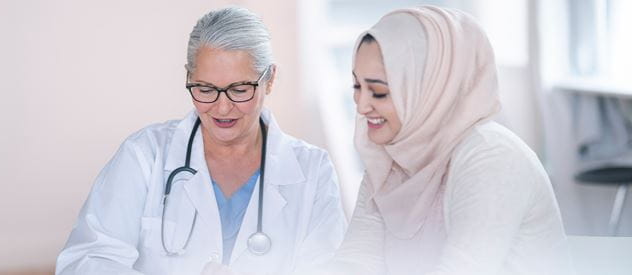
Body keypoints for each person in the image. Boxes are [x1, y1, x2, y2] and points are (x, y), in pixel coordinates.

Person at [56, 6, 346, 275]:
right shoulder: (145, 155)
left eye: (239, 89)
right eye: (206, 89)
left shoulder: (313, 170)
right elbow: (86, 262)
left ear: (269, 79)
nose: (221, 108)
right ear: (188, 77)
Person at [321, 6, 571, 275]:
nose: (362, 106)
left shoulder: (492, 159)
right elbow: (354, 262)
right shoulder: (391, 161)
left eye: (379, 92)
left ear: (429, 89)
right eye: (357, 87)